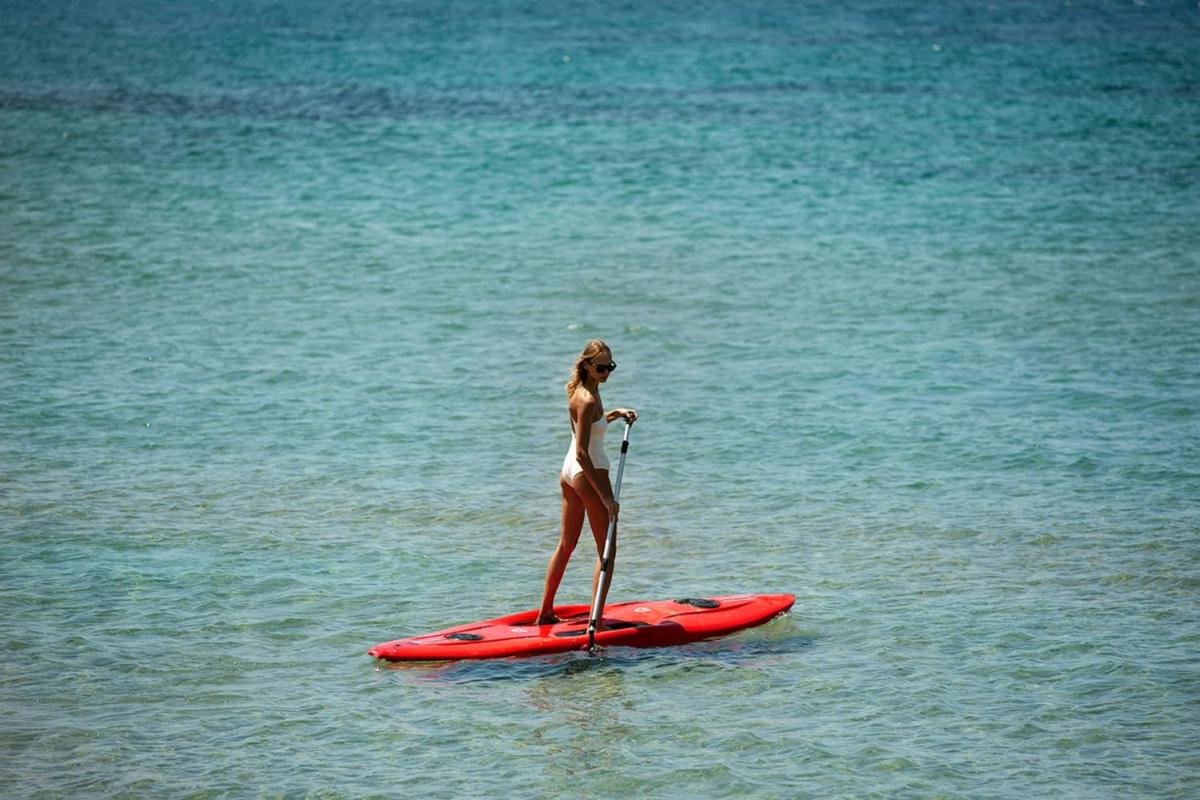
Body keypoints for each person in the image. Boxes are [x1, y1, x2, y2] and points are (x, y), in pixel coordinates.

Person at [537, 339, 637, 626]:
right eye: (601, 368)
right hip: (588, 472)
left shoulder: (584, 392)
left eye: (610, 367)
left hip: (568, 471)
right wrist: (605, 496)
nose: (606, 373)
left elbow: (591, 426)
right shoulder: (588, 399)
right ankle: (596, 620)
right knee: (607, 550)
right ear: (587, 365)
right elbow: (583, 453)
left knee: (566, 544)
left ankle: (545, 613)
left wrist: (615, 414)